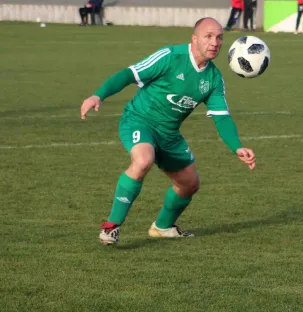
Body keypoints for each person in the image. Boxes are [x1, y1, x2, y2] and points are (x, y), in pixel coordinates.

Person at [80, 17, 257, 245]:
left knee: (190, 183)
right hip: (139, 120)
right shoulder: (170, 57)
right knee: (143, 160)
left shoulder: (214, 79)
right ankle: (111, 227)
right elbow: (129, 74)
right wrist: (98, 95)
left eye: (219, 37)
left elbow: (222, 118)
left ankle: (162, 227)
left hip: (169, 133)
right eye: (208, 36)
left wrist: (237, 147)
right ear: (194, 39)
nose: (215, 42)